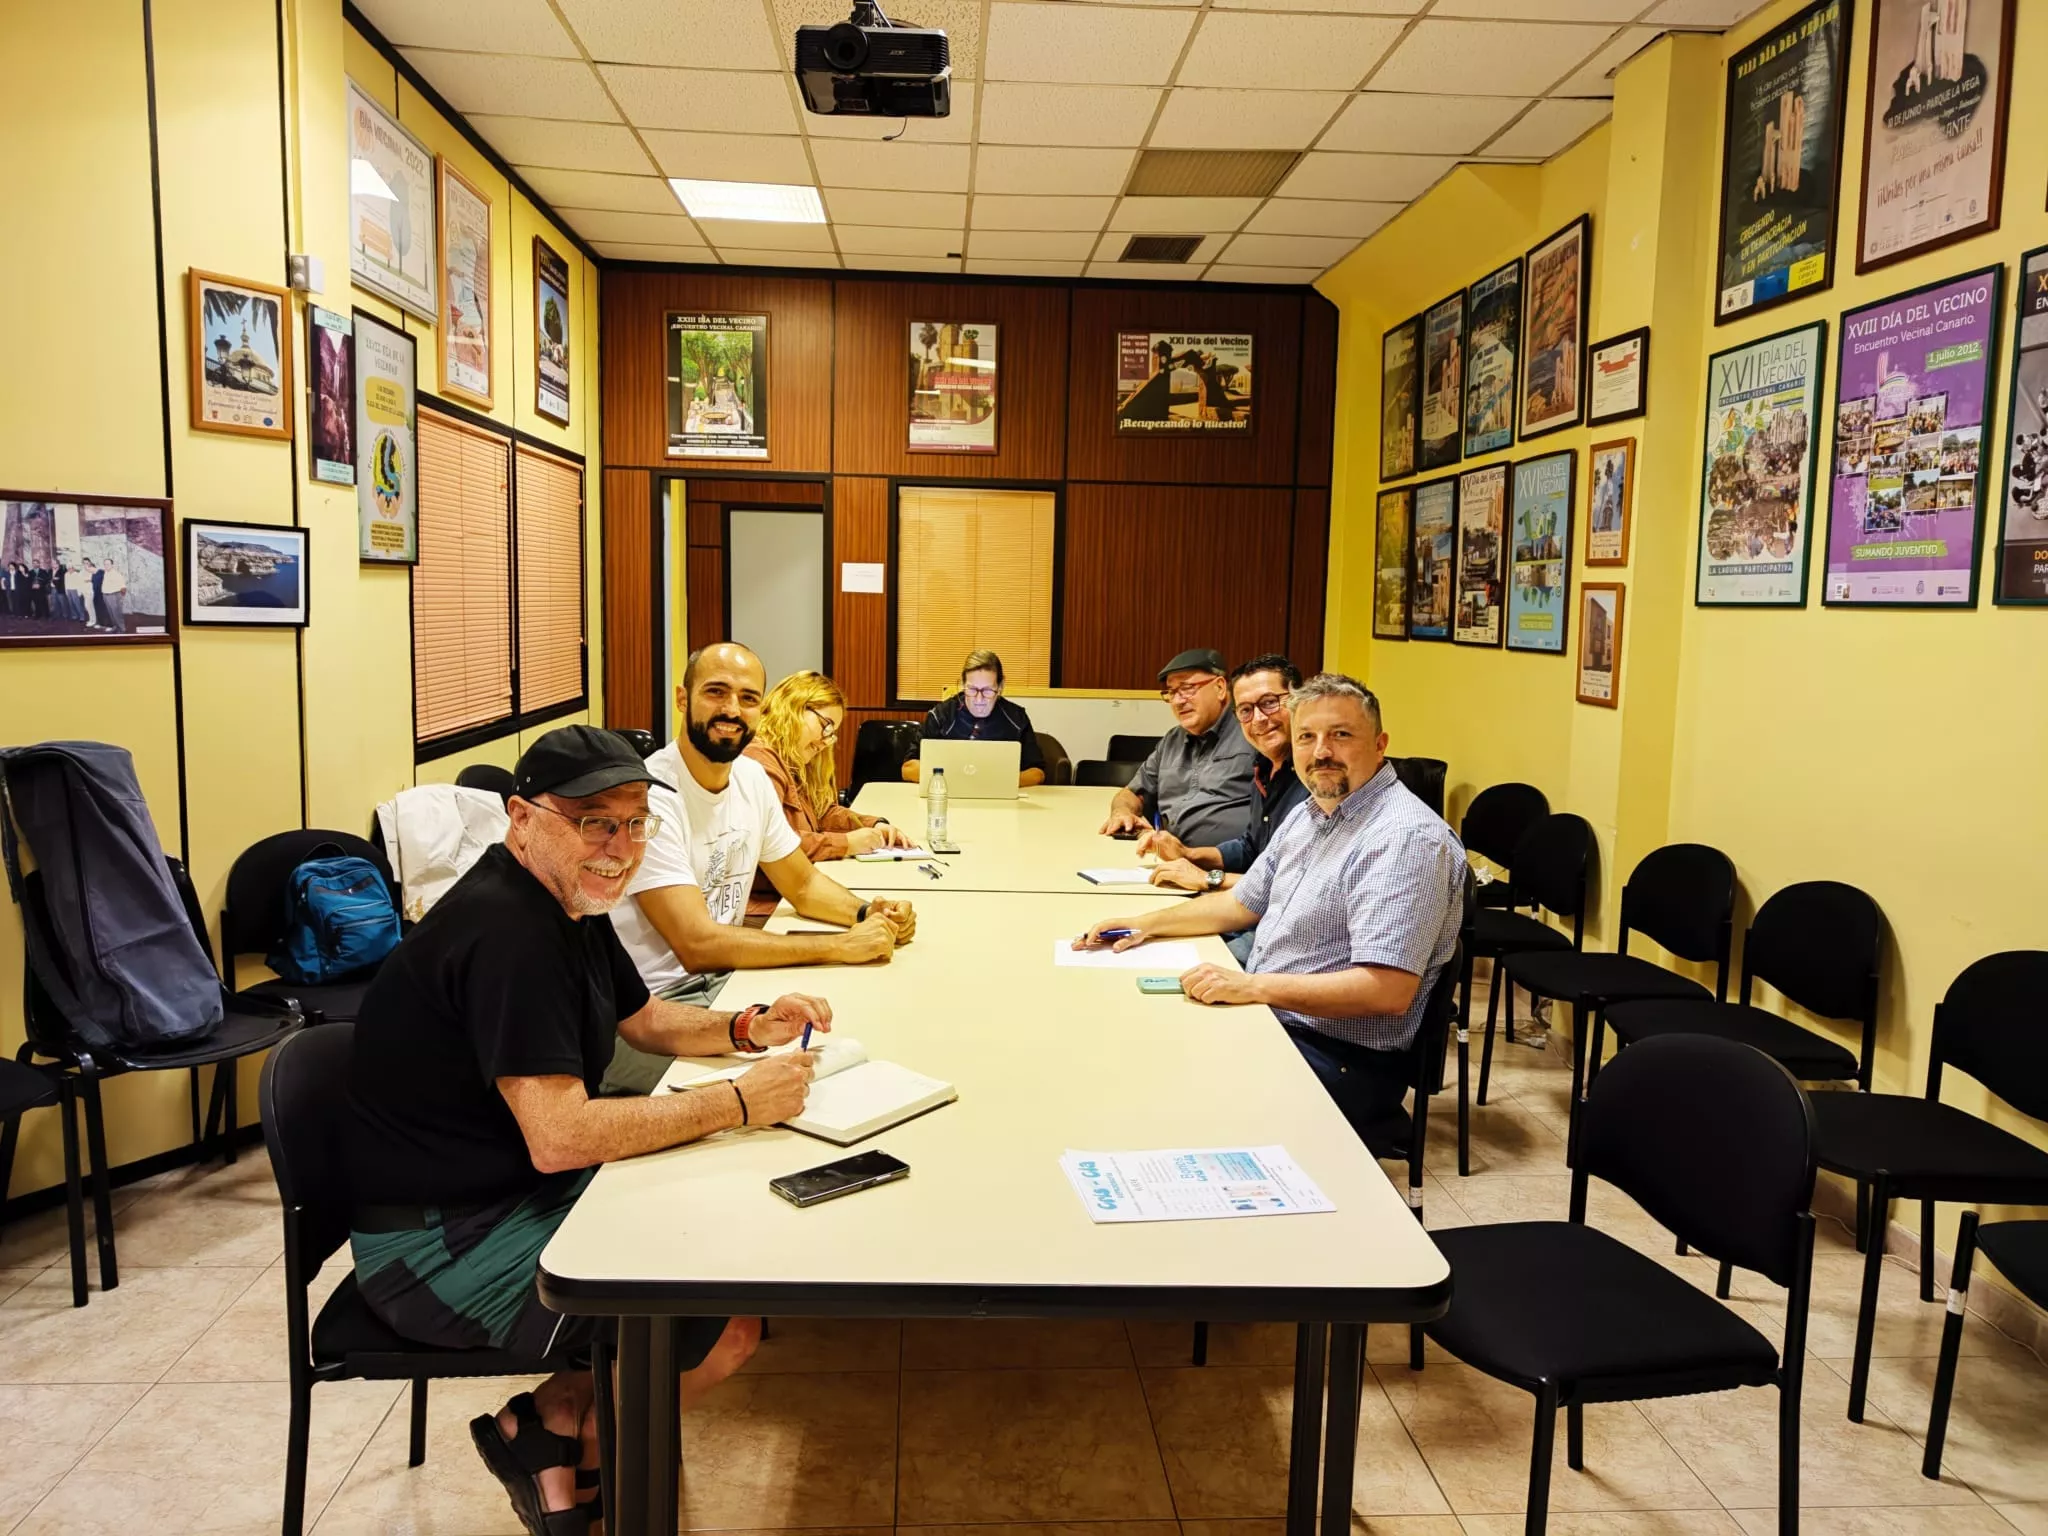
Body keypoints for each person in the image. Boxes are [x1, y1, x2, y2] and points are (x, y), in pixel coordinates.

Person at [345, 724, 833, 1534]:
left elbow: (641, 1021)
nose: (620, 845)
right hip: (434, 1245)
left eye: (637, 822)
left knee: (726, 1236)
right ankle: (575, 1436)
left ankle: (558, 1437)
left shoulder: (567, 898)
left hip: (502, 1191)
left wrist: (751, 1027)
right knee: (726, 1325)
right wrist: (739, 1102)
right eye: (594, 821)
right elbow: (560, 1136)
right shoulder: (509, 934)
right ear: (523, 817)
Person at [1078, 673, 1465, 1159]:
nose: (1321, 751)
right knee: (1126, 1040)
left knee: (1153, 1088)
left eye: (1341, 735)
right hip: (1279, 1018)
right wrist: (1147, 922)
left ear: (1380, 744)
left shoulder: (1404, 839)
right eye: (1307, 736)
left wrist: (1251, 987)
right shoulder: (1314, 811)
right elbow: (1242, 904)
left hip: (1340, 1057)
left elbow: (1386, 991)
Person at [608, 642, 916, 1093]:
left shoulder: (750, 779)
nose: (732, 709)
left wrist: (869, 915)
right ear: (681, 699)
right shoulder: (653, 796)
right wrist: (838, 946)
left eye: (748, 698)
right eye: (716, 692)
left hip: (726, 985)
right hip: (654, 1014)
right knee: (788, 1094)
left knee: (865, 1049)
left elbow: (804, 884)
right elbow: (697, 944)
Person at [745, 669, 911, 918]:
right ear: (793, 706)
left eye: (831, 733)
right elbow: (777, 845)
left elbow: (822, 812)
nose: (826, 741)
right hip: (764, 909)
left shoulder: (792, 759)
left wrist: (873, 824)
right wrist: (846, 844)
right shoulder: (759, 761)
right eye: (825, 726)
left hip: (790, 896)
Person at [1099, 647, 1260, 849]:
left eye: (1187, 688)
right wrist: (1122, 813)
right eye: (1171, 692)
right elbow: (1131, 792)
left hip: (1228, 867)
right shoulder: (1172, 740)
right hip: (1167, 858)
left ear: (1220, 687)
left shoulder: (1253, 731)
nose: (1177, 701)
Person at [901, 648, 1046, 787]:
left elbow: (1037, 773)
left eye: (988, 690)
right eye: (972, 689)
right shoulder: (941, 716)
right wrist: (953, 779)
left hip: (1000, 800)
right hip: (950, 797)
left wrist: (997, 782)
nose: (979, 699)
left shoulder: (1016, 718)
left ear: (1000, 687)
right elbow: (908, 769)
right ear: (963, 685)